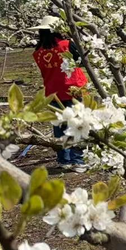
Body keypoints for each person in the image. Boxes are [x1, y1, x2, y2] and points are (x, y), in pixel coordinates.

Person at [31, 15, 88, 169]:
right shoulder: (66, 45)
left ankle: (64, 159)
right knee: (77, 124)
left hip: (52, 92)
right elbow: (82, 61)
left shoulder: (38, 52)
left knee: (59, 126)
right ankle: (78, 160)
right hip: (72, 90)